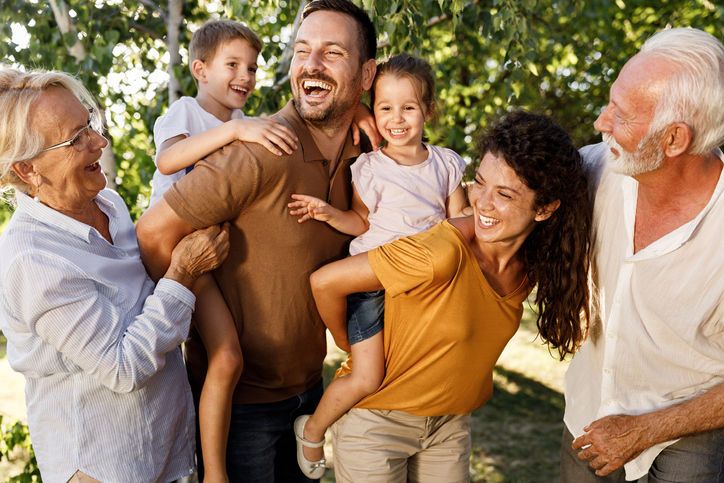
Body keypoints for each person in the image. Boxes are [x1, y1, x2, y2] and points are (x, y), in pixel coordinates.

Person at [134, 0, 378, 480]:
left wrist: (366, 112)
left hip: (312, 396)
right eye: (303, 51)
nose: (310, 64)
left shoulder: (365, 154)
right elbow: (151, 234)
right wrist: (191, 284)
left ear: (366, 74)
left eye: (332, 53)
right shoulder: (257, 150)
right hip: (240, 412)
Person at [309, 110, 591, 482]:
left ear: (545, 208)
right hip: (377, 423)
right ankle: (310, 431)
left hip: (450, 428)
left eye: (504, 194)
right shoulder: (442, 251)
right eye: (480, 183)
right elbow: (325, 282)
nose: (482, 204)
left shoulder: (534, 264)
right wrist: (349, 341)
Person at [0, 67, 230, 483]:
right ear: (27, 171)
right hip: (108, 466)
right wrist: (183, 271)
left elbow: (142, 305)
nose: (100, 142)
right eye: (76, 139)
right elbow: (123, 367)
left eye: (90, 124)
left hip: (170, 449)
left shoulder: (108, 203)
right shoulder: (32, 261)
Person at [287, 52, 468, 478]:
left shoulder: (445, 163)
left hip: (428, 281)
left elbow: (461, 223)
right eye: (385, 107)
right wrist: (328, 213)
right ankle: (312, 429)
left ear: (428, 110)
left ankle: (427, 425)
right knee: (368, 376)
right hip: (375, 279)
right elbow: (361, 221)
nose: (396, 118)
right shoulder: (369, 167)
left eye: (409, 107)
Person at [560, 27, 724, 482]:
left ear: (674, 140)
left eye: (622, 114)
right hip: (587, 414)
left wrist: (646, 429)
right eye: (610, 101)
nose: (600, 122)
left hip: (689, 433)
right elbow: (503, 201)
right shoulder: (593, 168)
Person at [149, 19, 300, 483]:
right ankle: (215, 474)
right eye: (233, 64)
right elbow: (169, 159)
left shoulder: (239, 122)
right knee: (226, 356)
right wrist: (238, 133)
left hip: (207, 251)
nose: (246, 76)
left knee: (229, 357)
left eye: (252, 68)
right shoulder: (187, 113)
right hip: (171, 250)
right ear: (200, 69)